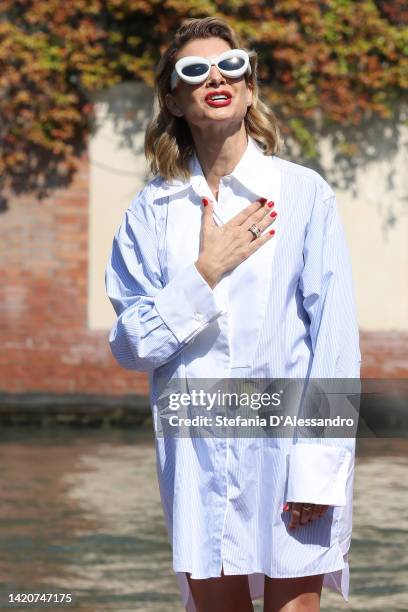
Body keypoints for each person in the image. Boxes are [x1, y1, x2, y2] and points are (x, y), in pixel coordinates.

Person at [105, 16, 361, 612]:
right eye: (193, 70)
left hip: (291, 454)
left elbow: (335, 342)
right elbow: (129, 344)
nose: (215, 76)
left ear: (249, 89)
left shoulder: (302, 195)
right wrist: (203, 274)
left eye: (232, 64)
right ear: (173, 98)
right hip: (197, 458)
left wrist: (319, 469)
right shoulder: (151, 212)